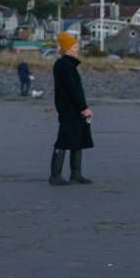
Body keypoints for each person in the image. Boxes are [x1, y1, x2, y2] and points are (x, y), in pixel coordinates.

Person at [49, 32, 94, 185]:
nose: (77, 48)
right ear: (67, 49)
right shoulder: (64, 65)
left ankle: (76, 174)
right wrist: (84, 107)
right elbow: (72, 89)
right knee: (64, 139)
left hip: (72, 108)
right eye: (75, 46)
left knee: (78, 139)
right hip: (69, 108)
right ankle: (55, 176)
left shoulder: (67, 64)